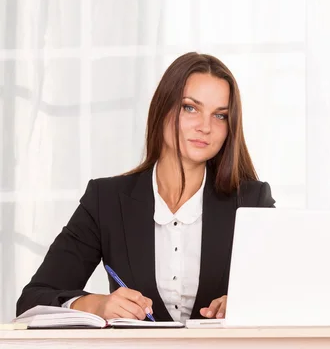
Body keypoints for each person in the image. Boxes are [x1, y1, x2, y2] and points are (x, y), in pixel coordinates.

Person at [16, 52, 276, 322]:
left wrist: (247, 304)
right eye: (190, 108)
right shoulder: (106, 201)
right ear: (162, 108)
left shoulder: (252, 202)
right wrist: (96, 305)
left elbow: (290, 295)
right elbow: (31, 301)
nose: (205, 127)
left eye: (220, 116)